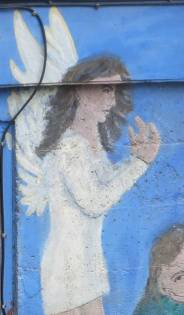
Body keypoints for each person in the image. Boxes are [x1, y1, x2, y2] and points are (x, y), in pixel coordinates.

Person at [33, 55, 161, 315]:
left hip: (87, 264)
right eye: (104, 89)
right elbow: (94, 202)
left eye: (113, 91)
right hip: (66, 268)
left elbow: (105, 184)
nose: (111, 101)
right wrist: (139, 165)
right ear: (79, 90)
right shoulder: (69, 146)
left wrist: (136, 160)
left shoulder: (90, 143)